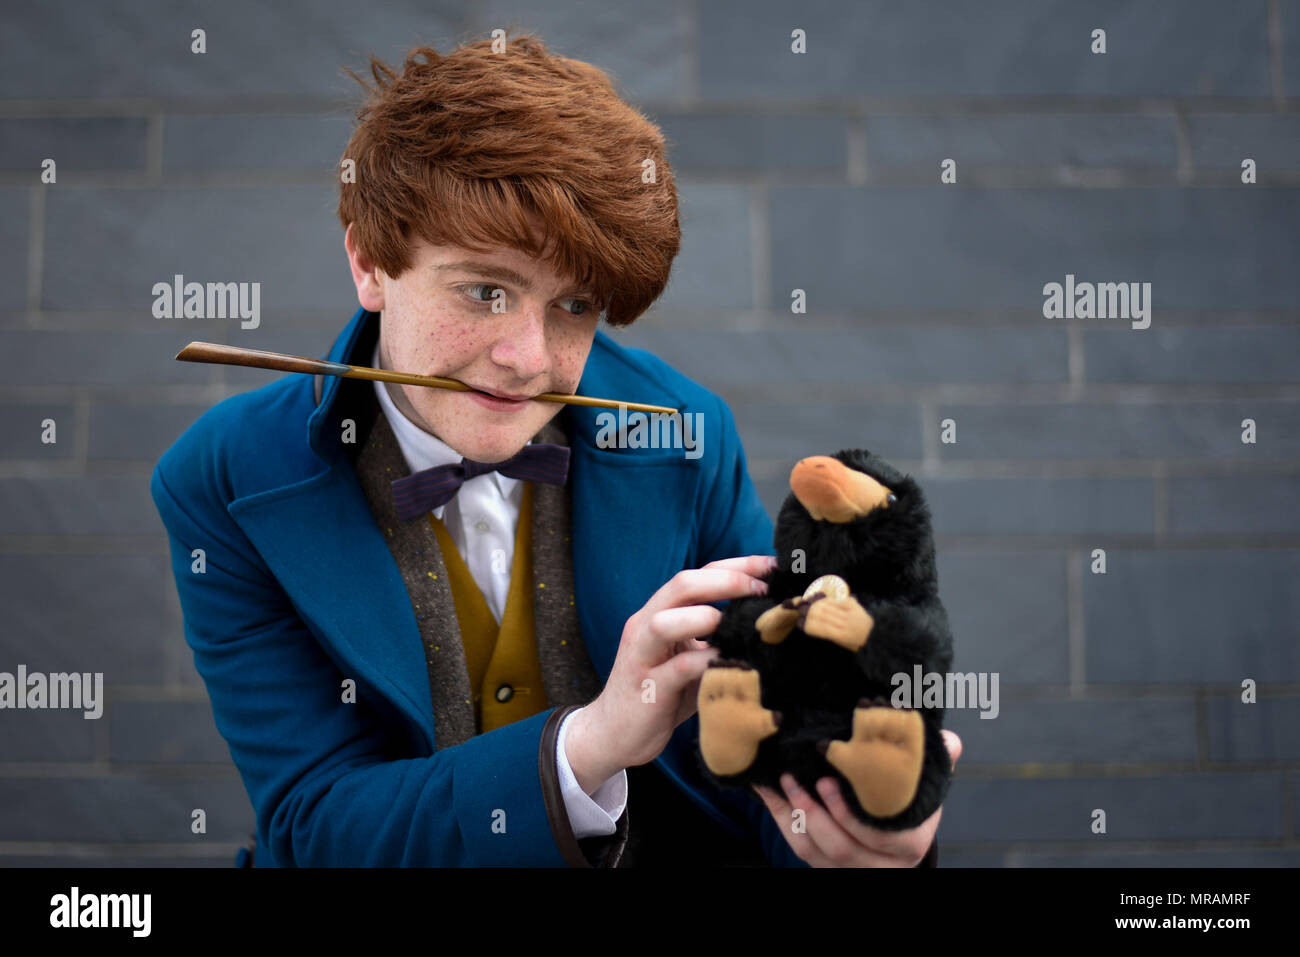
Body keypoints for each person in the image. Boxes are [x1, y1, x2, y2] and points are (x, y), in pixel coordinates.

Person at [149, 34, 959, 867]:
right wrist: (592, 742)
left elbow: (758, 775)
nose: (529, 358)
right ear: (369, 261)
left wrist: (857, 830)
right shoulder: (224, 478)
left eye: (573, 304)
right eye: (485, 290)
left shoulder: (686, 430)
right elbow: (317, 827)